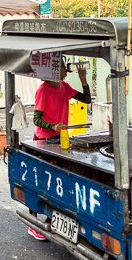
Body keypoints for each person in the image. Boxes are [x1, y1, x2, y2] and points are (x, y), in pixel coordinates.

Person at [27, 59, 91, 241]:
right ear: (54, 70)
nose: (66, 69)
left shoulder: (65, 86)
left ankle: (51, 218)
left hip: (59, 139)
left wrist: (84, 79)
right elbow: (36, 120)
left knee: (56, 181)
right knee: (41, 180)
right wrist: (53, 126)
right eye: (63, 66)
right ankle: (34, 222)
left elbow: (86, 100)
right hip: (43, 140)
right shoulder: (42, 90)